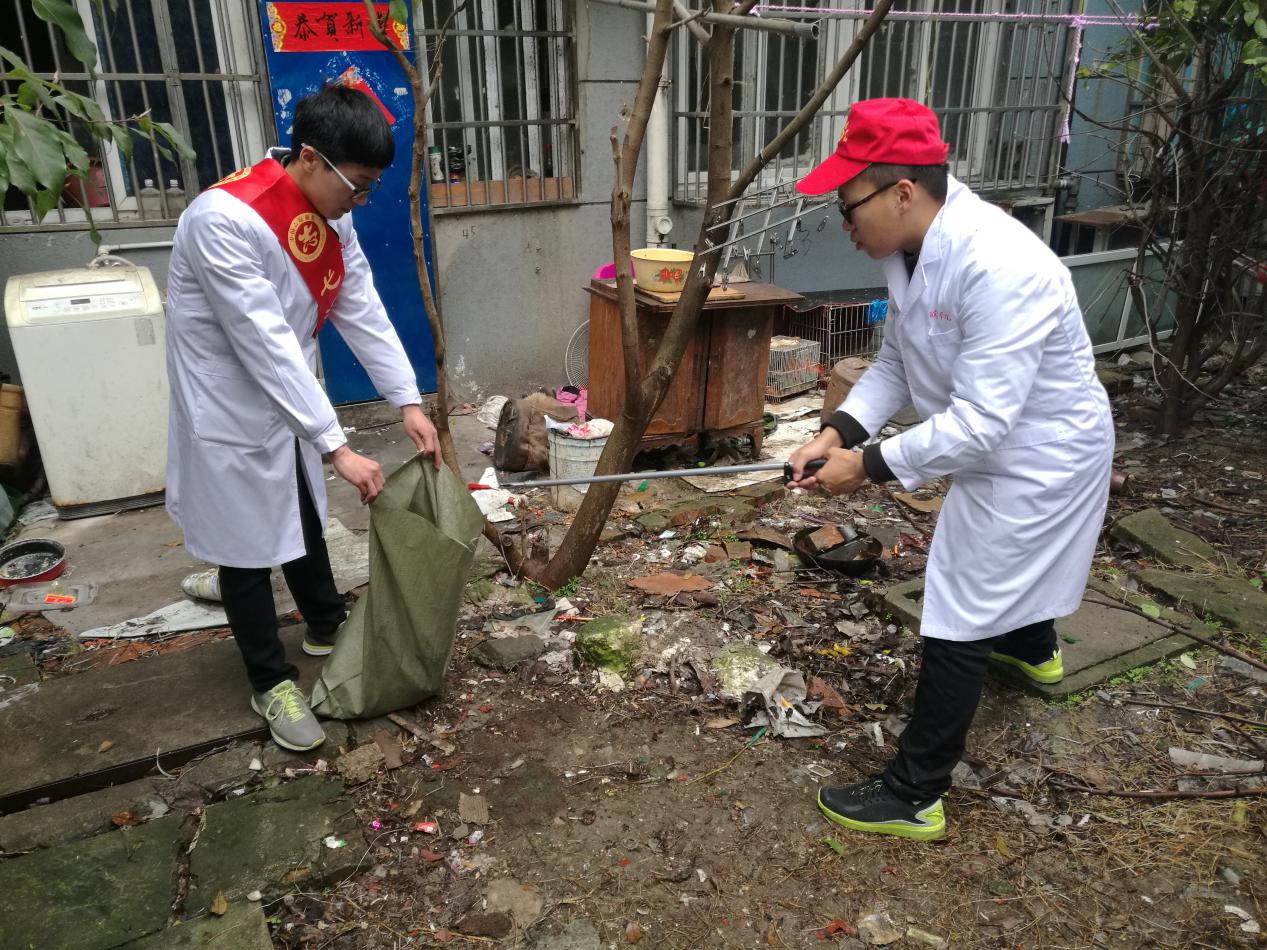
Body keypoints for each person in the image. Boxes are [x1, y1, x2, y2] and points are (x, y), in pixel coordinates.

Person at [787, 98, 1113, 841]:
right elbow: (897, 365)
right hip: (999, 447)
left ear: (902, 192)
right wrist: (836, 431)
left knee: (958, 605)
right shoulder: (910, 251)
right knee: (999, 577)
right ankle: (1032, 650)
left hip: (1039, 458)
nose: (843, 222)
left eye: (848, 204)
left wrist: (868, 466)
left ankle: (915, 793)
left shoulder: (999, 265)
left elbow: (982, 423)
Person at [165, 84, 439, 752]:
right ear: (311, 158)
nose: (360, 200)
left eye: (371, 187)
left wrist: (407, 401)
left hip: (287, 391)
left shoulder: (330, 213)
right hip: (228, 402)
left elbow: (359, 306)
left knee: (302, 507)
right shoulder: (223, 220)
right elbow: (261, 341)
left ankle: (323, 621)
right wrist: (336, 444)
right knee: (244, 543)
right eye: (358, 185)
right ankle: (269, 679)